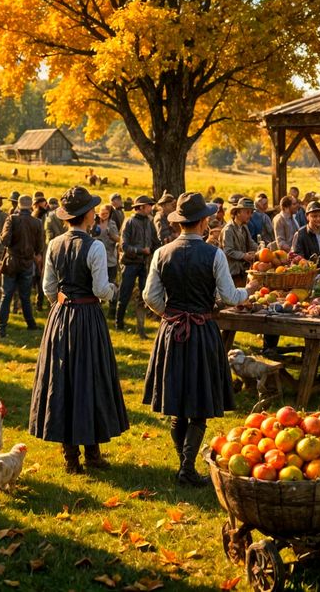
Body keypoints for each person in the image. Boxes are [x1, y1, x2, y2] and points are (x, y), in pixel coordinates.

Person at [142, 193, 251, 487]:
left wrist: (172, 314)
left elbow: (150, 297)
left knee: (178, 402)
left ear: (180, 223)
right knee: (199, 404)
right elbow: (229, 297)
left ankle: (185, 466)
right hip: (201, 331)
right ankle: (187, 469)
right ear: (203, 222)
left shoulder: (161, 253)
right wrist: (249, 290)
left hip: (172, 331)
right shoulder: (213, 254)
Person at [31, 187, 127, 473]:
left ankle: (72, 457)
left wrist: (62, 305)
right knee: (90, 379)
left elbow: (49, 287)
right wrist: (112, 291)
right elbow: (100, 288)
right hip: (87, 318)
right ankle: (91, 454)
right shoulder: (95, 247)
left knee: (64, 381)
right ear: (87, 215)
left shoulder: (55, 244)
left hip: (61, 317)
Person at [0, 195, 44, 337]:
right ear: (30, 206)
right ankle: (31, 324)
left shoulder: (12, 219)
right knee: (25, 296)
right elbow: (39, 246)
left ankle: (1, 329)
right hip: (27, 262)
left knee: (6, 296)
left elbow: (4, 240)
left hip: (11, 261)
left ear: (18, 204)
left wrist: (0, 236)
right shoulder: (37, 222)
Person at [113, 196, 157, 330]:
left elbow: (155, 242)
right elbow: (124, 246)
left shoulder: (150, 222)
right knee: (124, 294)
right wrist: (141, 251)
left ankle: (140, 327)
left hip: (144, 265)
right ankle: (118, 324)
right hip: (129, 264)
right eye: (149, 205)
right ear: (141, 207)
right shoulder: (129, 222)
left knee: (145, 296)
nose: (151, 207)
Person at [221, 200, 255, 287]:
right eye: (247, 212)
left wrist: (260, 250)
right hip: (233, 273)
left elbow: (251, 243)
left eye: (251, 212)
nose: (250, 215)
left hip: (243, 271)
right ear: (238, 212)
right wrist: (244, 256)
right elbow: (228, 250)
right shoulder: (228, 230)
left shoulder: (244, 227)